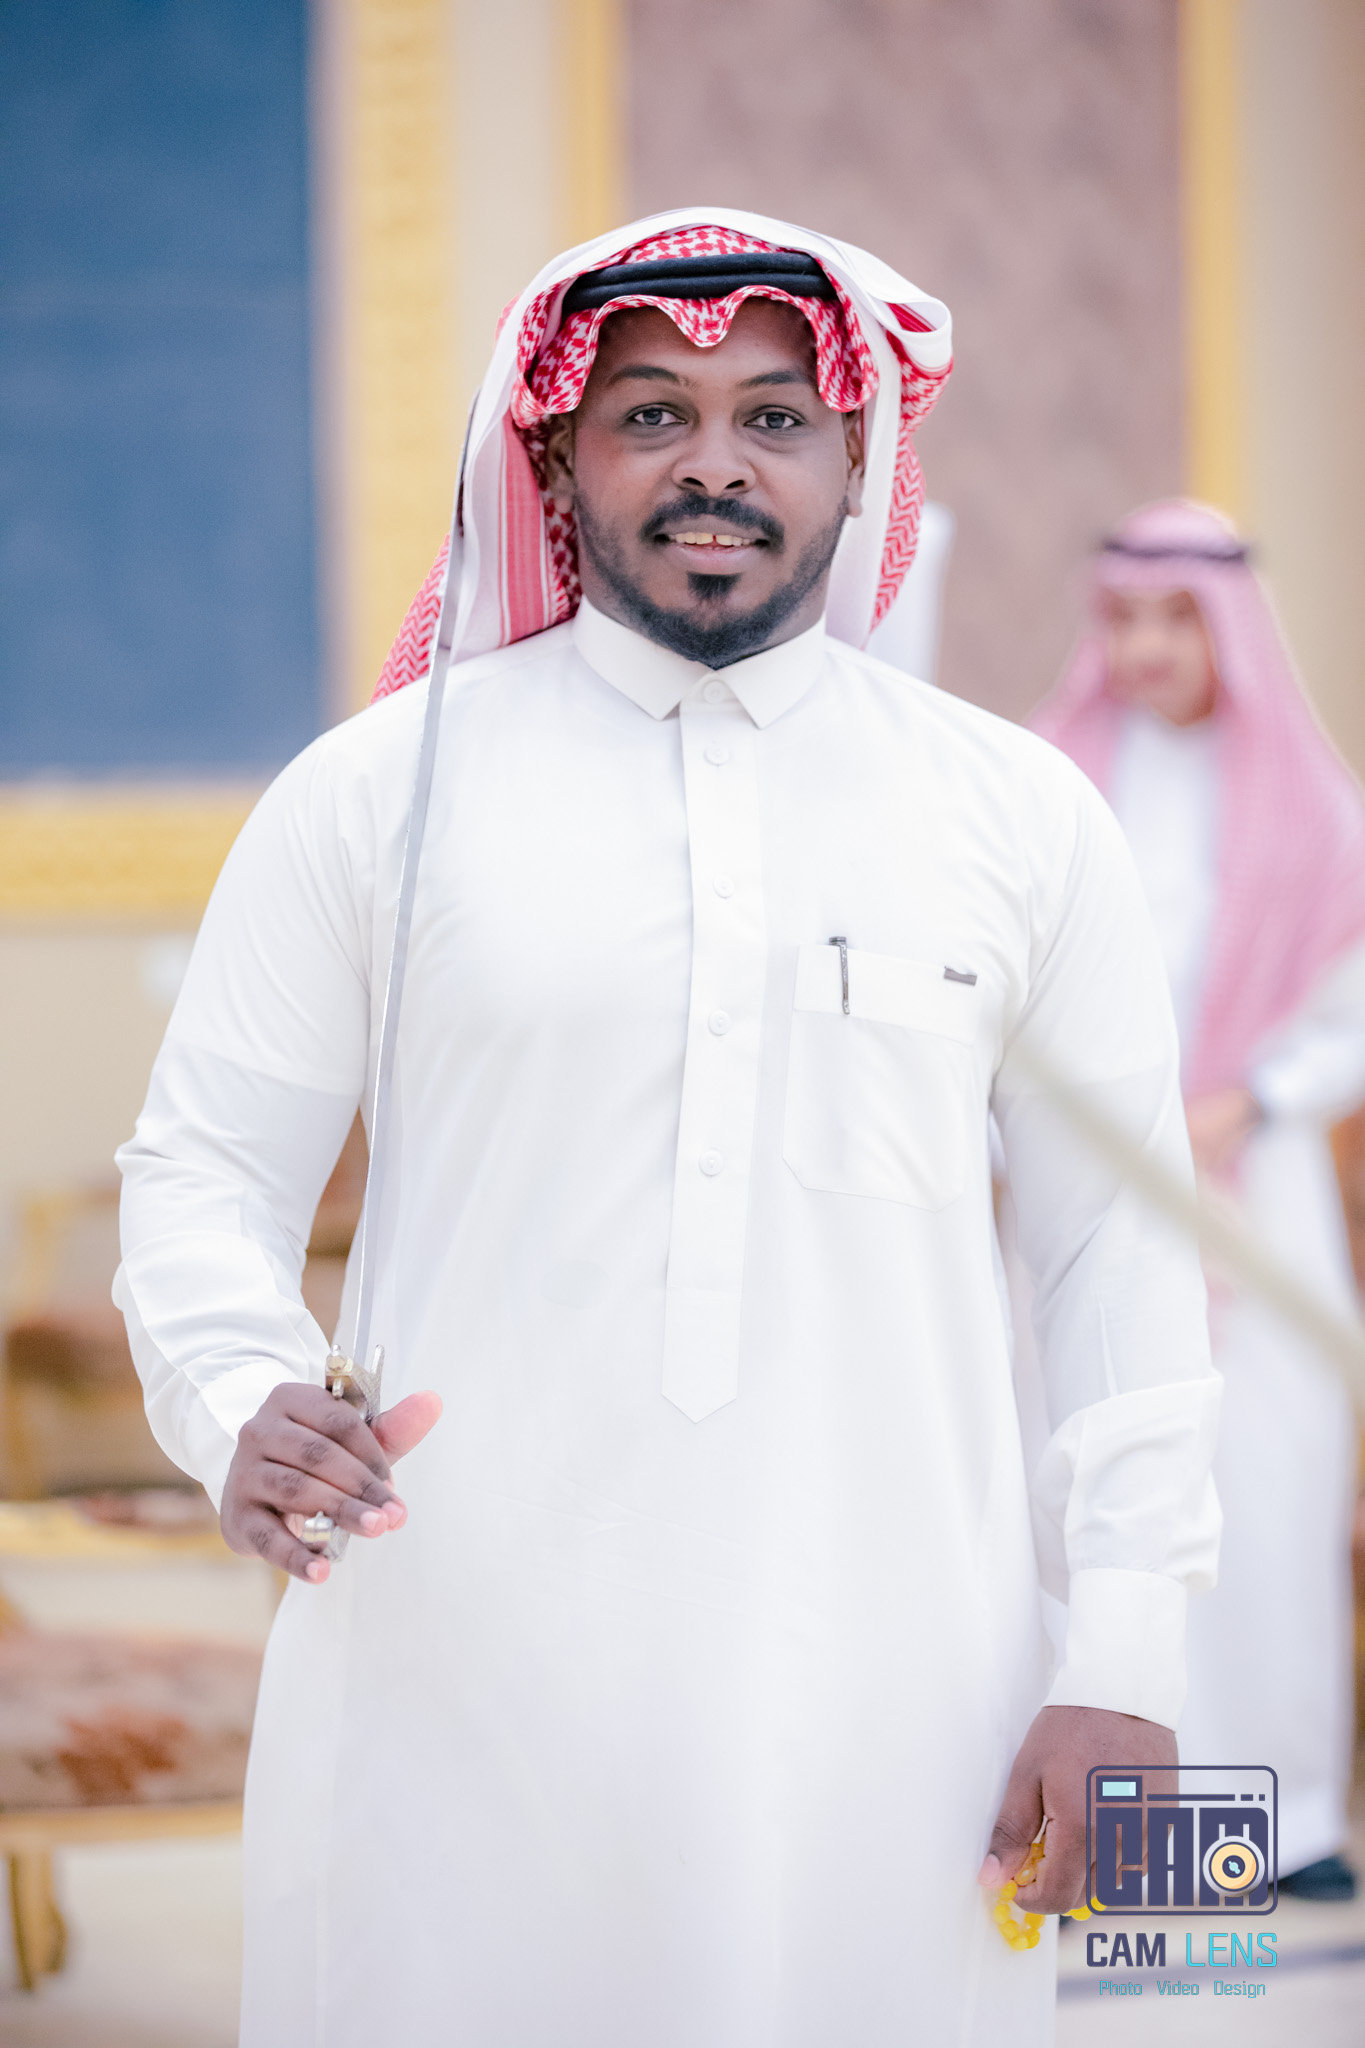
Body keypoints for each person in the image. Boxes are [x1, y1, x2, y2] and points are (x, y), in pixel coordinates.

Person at [115, 213, 1219, 2046]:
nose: (716, 463)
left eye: (773, 417)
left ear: (856, 458)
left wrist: (1125, 1655)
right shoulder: (374, 796)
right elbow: (203, 1170)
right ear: (556, 455)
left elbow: (1118, 1251)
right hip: (456, 1680)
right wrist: (236, 1392)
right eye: (650, 413)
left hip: (901, 1692)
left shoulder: (1017, 815)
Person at [1033, 497, 1365, 1900]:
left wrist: (1256, 1099)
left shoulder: (1316, 812)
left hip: (1251, 1191)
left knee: (1266, 1493)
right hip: (1081, 1177)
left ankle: (1285, 1822)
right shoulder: (1046, 786)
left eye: (1180, 618)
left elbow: (1350, 1008)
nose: (1150, 647)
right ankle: (1101, 1828)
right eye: (1126, 619)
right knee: (1088, 1488)